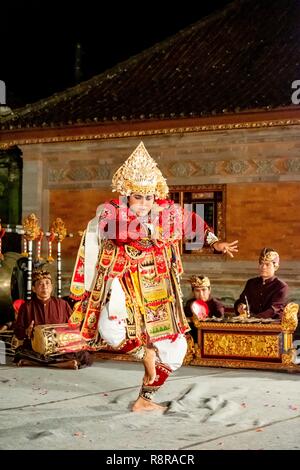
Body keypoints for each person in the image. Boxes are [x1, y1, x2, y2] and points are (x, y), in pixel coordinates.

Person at [70, 141, 238, 411]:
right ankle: (142, 352)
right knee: (111, 330)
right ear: (127, 195)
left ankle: (144, 400)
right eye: (138, 197)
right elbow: (114, 229)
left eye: (149, 198)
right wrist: (148, 230)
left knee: (176, 349)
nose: (144, 203)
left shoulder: (166, 211)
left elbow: (191, 223)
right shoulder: (112, 210)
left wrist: (214, 242)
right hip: (123, 286)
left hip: (160, 289)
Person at [13, 270, 92, 369]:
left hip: (58, 349)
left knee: (84, 355)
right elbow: (17, 331)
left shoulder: (63, 304)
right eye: (40, 284)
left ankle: (35, 363)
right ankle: (61, 364)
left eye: (47, 283)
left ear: (51, 286)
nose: (44, 286)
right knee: (20, 352)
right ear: (34, 288)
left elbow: (74, 326)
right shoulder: (26, 307)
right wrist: (26, 331)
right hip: (35, 348)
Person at [234, 247, 288, 319]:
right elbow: (241, 301)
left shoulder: (281, 286)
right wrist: (240, 307)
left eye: (267, 264)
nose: (263, 267)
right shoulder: (251, 283)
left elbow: (274, 309)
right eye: (261, 263)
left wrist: (254, 318)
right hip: (249, 323)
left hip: (272, 326)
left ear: (276, 267)